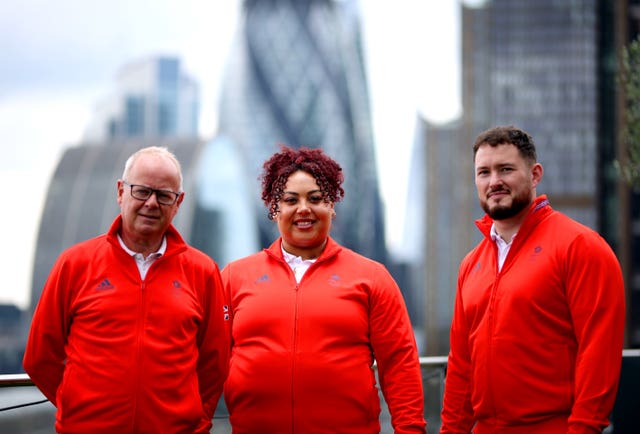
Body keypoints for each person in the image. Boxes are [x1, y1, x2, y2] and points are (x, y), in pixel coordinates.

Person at [23, 146, 230, 433]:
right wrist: (79, 409)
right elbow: (39, 357)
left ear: (178, 202)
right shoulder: (75, 264)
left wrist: (197, 421)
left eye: (164, 195)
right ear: (121, 192)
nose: (151, 203)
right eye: (142, 191)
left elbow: (215, 364)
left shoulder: (202, 271)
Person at [221, 145, 427, 433]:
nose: (304, 208)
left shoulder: (371, 277)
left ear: (332, 205)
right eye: (291, 199)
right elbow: (208, 362)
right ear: (274, 209)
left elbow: (399, 366)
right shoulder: (235, 276)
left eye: (315, 198)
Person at [440, 126, 626, 433]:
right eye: (484, 172)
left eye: (506, 169)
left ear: (535, 174)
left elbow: (599, 355)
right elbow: (462, 366)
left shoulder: (580, 247)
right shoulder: (470, 265)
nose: (494, 181)